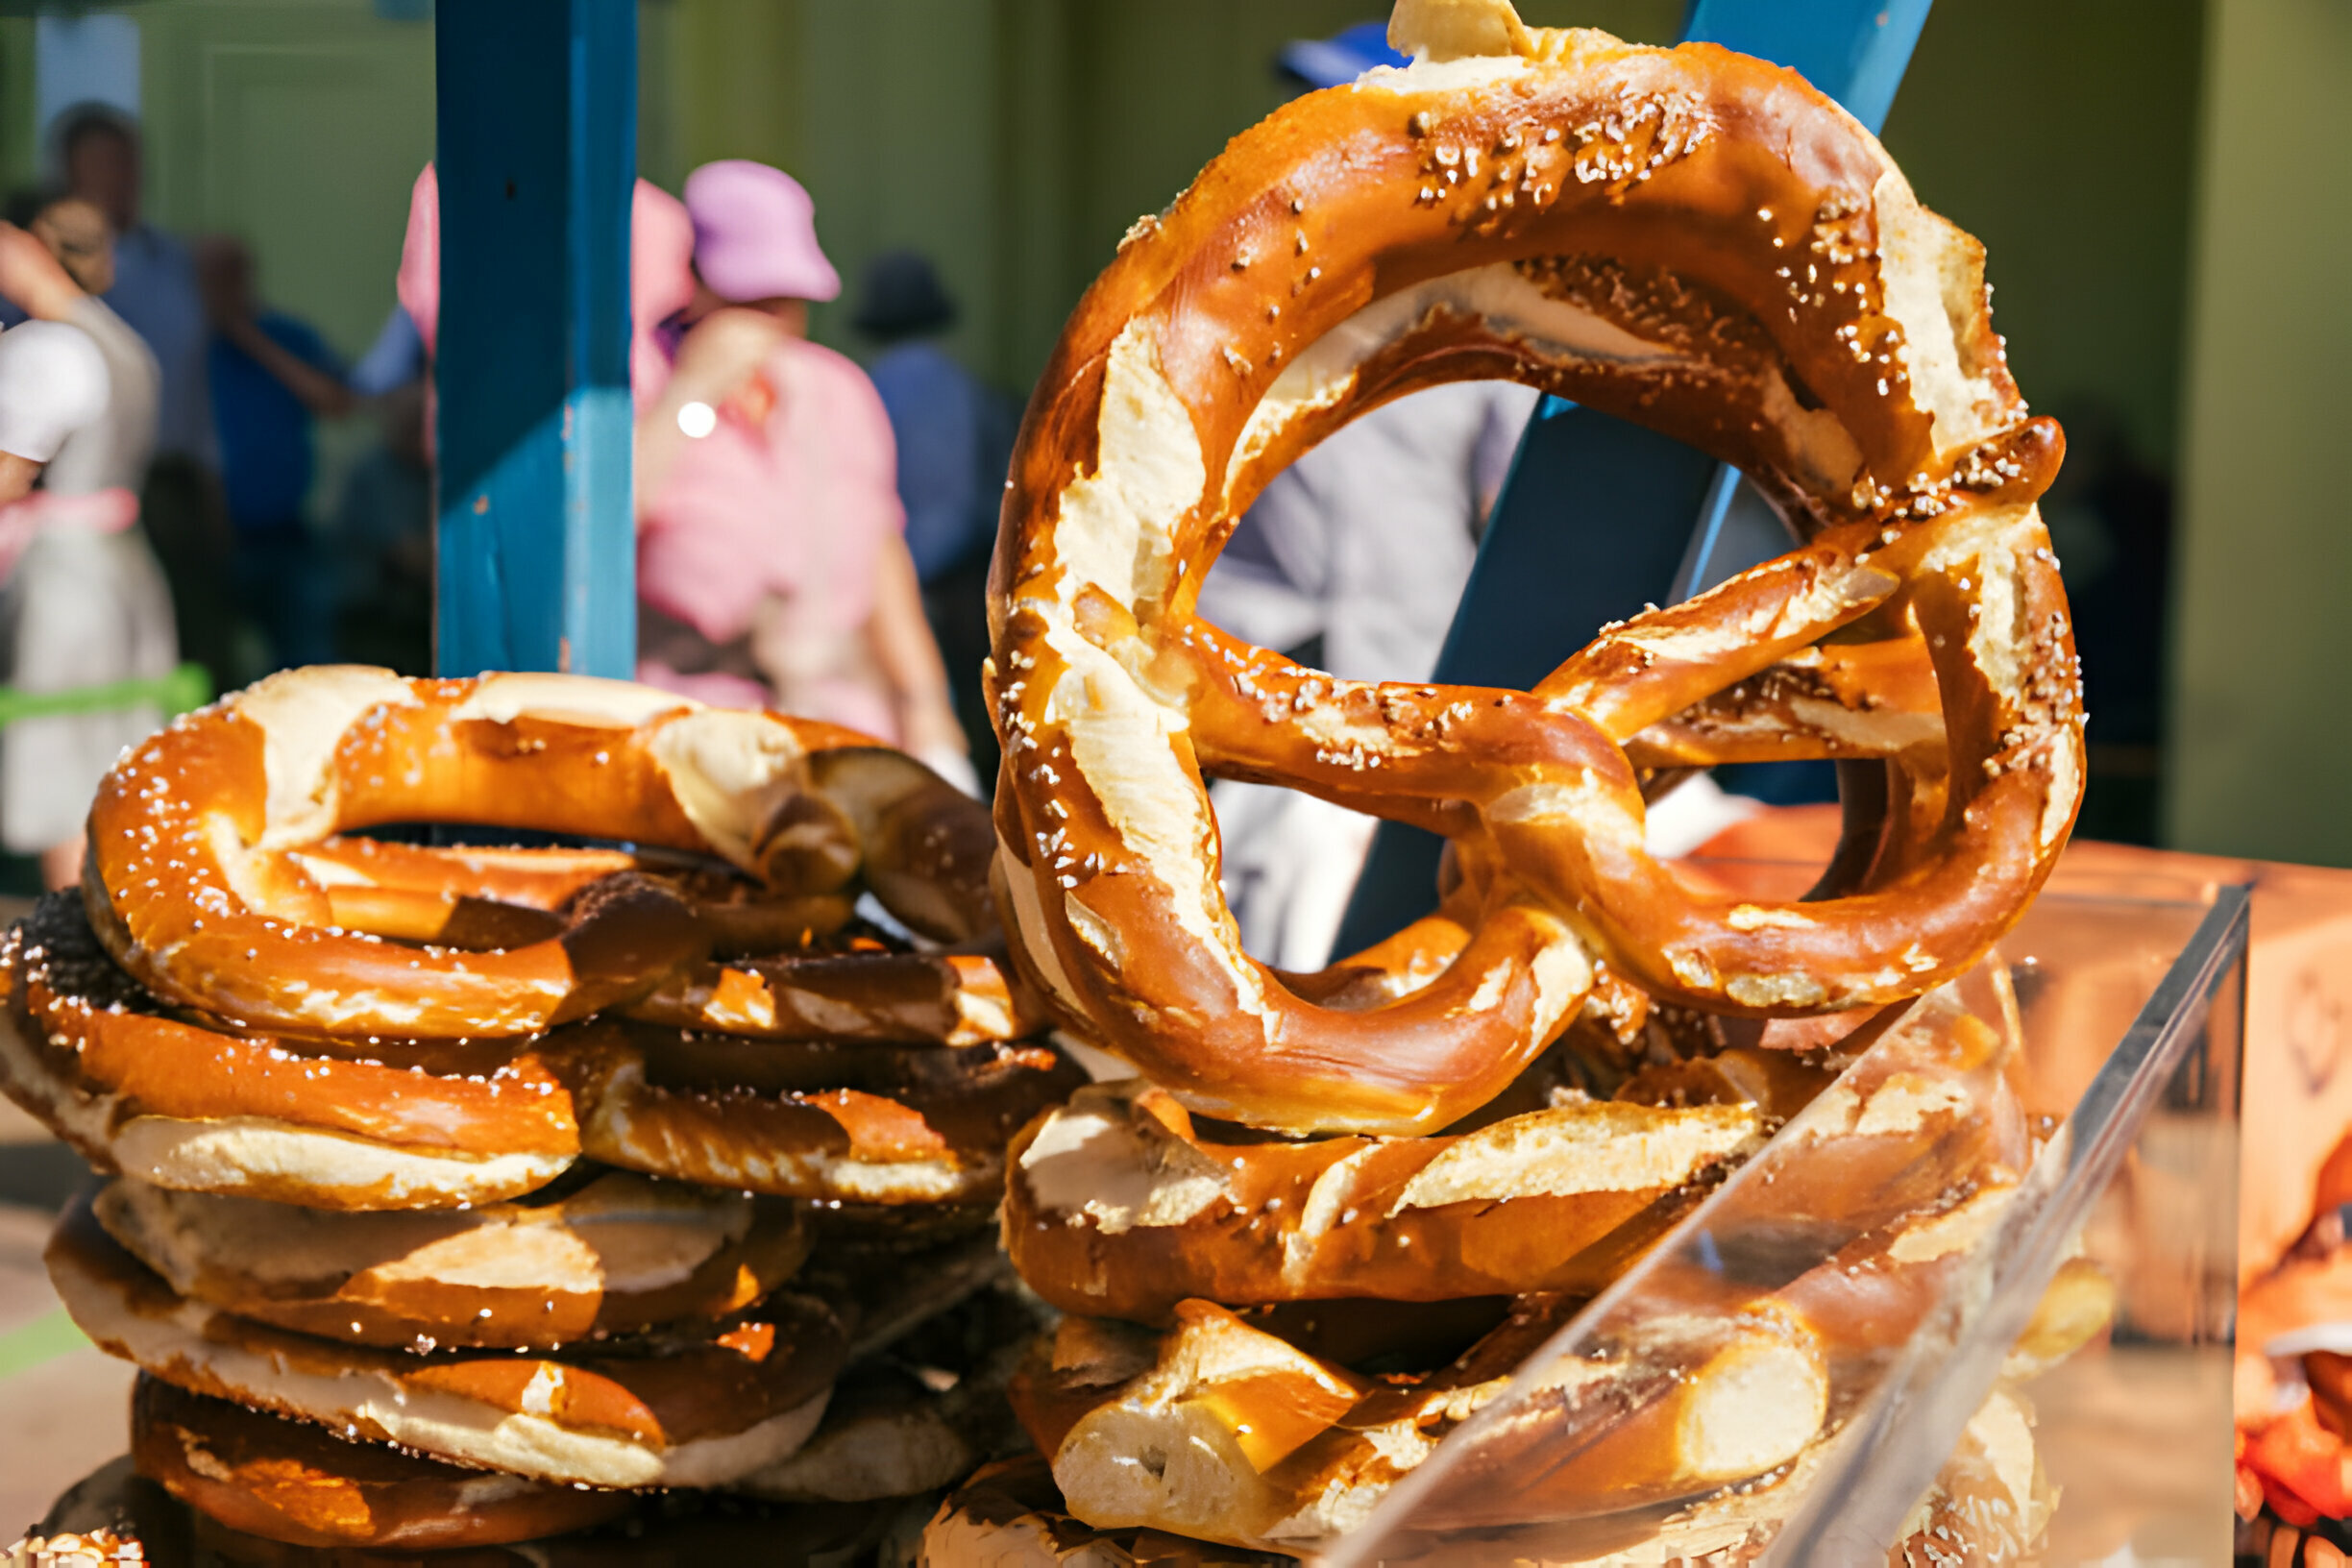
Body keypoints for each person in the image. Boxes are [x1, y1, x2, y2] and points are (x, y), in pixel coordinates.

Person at [635, 161, 973, 792]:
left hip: (835, 730)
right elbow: (590, 542)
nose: (772, 320)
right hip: (685, 740)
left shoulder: (837, 390)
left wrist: (930, 722)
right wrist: (692, 394)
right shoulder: (636, 385)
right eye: (749, 298)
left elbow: (882, 562)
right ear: (695, 282)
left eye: (786, 300)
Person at [0, 206, 176, 890]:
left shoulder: (51, 348)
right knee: (111, 752)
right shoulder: (118, 341)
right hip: (123, 563)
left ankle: (73, 937)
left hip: (68, 579)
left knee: (62, 764)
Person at [853, 249, 1013, 785]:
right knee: (975, 701)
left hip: (900, 571)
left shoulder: (867, 387)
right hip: (967, 565)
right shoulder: (965, 386)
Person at [197, 234, 353, 671]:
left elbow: (337, 401)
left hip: (287, 534)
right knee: (213, 666)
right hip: (208, 537)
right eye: (210, 277)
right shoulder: (187, 345)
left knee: (308, 665)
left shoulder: (286, 335)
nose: (221, 287)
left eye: (232, 274)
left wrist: (247, 336)